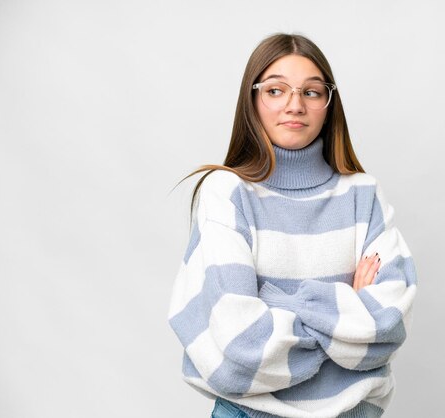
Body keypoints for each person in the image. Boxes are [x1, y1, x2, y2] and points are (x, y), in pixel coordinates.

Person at [167, 33, 418, 418]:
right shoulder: (227, 193)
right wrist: (345, 309)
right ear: (252, 100)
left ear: (328, 103)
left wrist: (277, 301)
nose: (294, 105)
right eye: (275, 90)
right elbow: (242, 343)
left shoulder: (363, 194)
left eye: (312, 92)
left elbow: (385, 326)